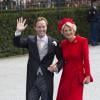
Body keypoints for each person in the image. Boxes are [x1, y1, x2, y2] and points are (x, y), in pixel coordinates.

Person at [13, 17, 63, 100]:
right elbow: (17, 43)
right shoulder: (30, 40)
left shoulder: (54, 42)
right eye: (39, 27)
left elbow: (61, 58)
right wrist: (18, 31)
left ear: (46, 27)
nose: (41, 29)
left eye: (43, 27)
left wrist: (57, 67)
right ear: (35, 28)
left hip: (46, 79)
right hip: (33, 79)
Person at [49, 18, 93, 100]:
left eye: (70, 30)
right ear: (63, 32)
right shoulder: (63, 44)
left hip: (77, 76)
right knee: (63, 97)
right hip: (66, 76)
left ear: (74, 29)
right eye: (65, 30)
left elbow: (86, 60)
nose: (68, 32)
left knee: (75, 97)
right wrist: (55, 65)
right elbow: (62, 59)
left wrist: (87, 75)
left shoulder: (82, 41)